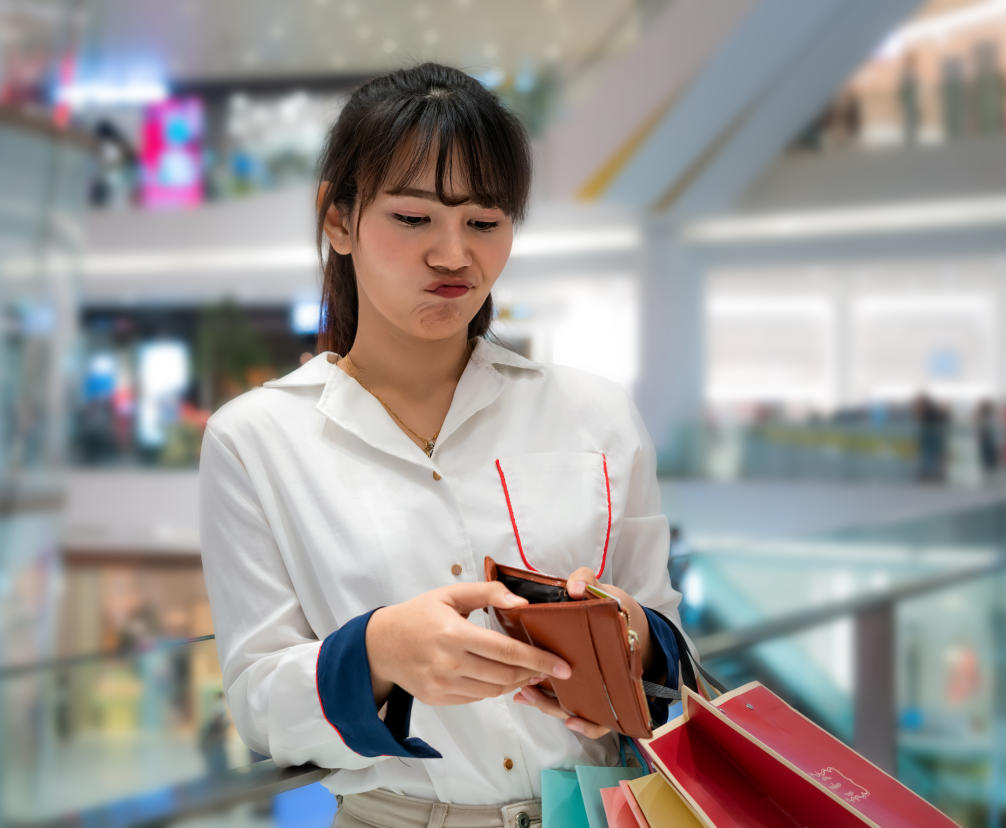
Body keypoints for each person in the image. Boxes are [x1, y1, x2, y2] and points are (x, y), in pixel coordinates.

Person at [198, 63, 686, 828]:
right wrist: (380, 652)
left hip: (597, 812)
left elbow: (668, 652)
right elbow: (259, 706)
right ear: (338, 219)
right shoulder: (257, 439)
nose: (455, 255)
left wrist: (630, 637)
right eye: (414, 219)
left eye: (485, 223)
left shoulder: (595, 413)